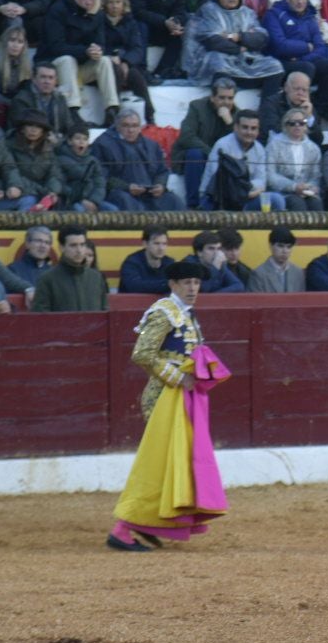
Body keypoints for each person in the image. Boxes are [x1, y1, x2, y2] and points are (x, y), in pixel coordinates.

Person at [106, 259, 229, 552]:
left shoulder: (186, 314)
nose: (192, 288)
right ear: (173, 284)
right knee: (158, 463)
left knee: (171, 463)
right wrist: (177, 377)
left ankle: (150, 523)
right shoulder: (165, 312)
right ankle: (122, 529)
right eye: (186, 282)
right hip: (163, 397)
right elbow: (142, 353)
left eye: (196, 283)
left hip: (179, 398)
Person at [32, 225, 109, 311]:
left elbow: (104, 312)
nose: (79, 250)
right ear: (62, 247)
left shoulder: (96, 278)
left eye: (82, 245)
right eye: (73, 245)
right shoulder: (47, 279)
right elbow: (40, 317)